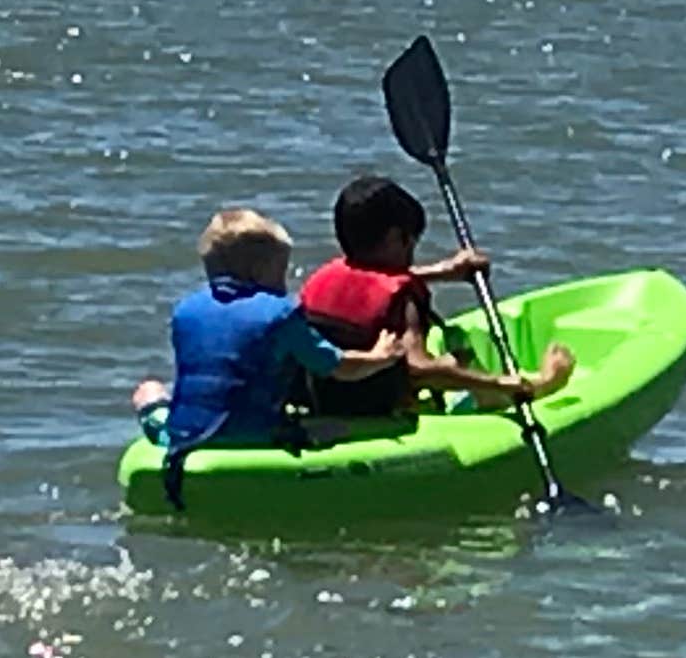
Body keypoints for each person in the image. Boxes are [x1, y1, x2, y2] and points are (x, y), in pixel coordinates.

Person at [289, 170, 574, 425]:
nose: (412, 252)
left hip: (321, 401)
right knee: (457, 361)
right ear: (395, 238)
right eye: (411, 242)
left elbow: (373, 281)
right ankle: (533, 386)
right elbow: (419, 371)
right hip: (376, 411)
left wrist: (443, 272)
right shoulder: (403, 302)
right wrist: (499, 381)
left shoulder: (322, 278)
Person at [139, 206, 407, 460]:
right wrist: (380, 356)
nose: (284, 281)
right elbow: (337, 366)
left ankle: (161, 424)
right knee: (333, 429)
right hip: (257, 437)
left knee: (149, 391)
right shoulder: (279, 314)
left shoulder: (185, 311)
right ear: (258, 271)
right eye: (281, 271)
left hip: (185, 437)